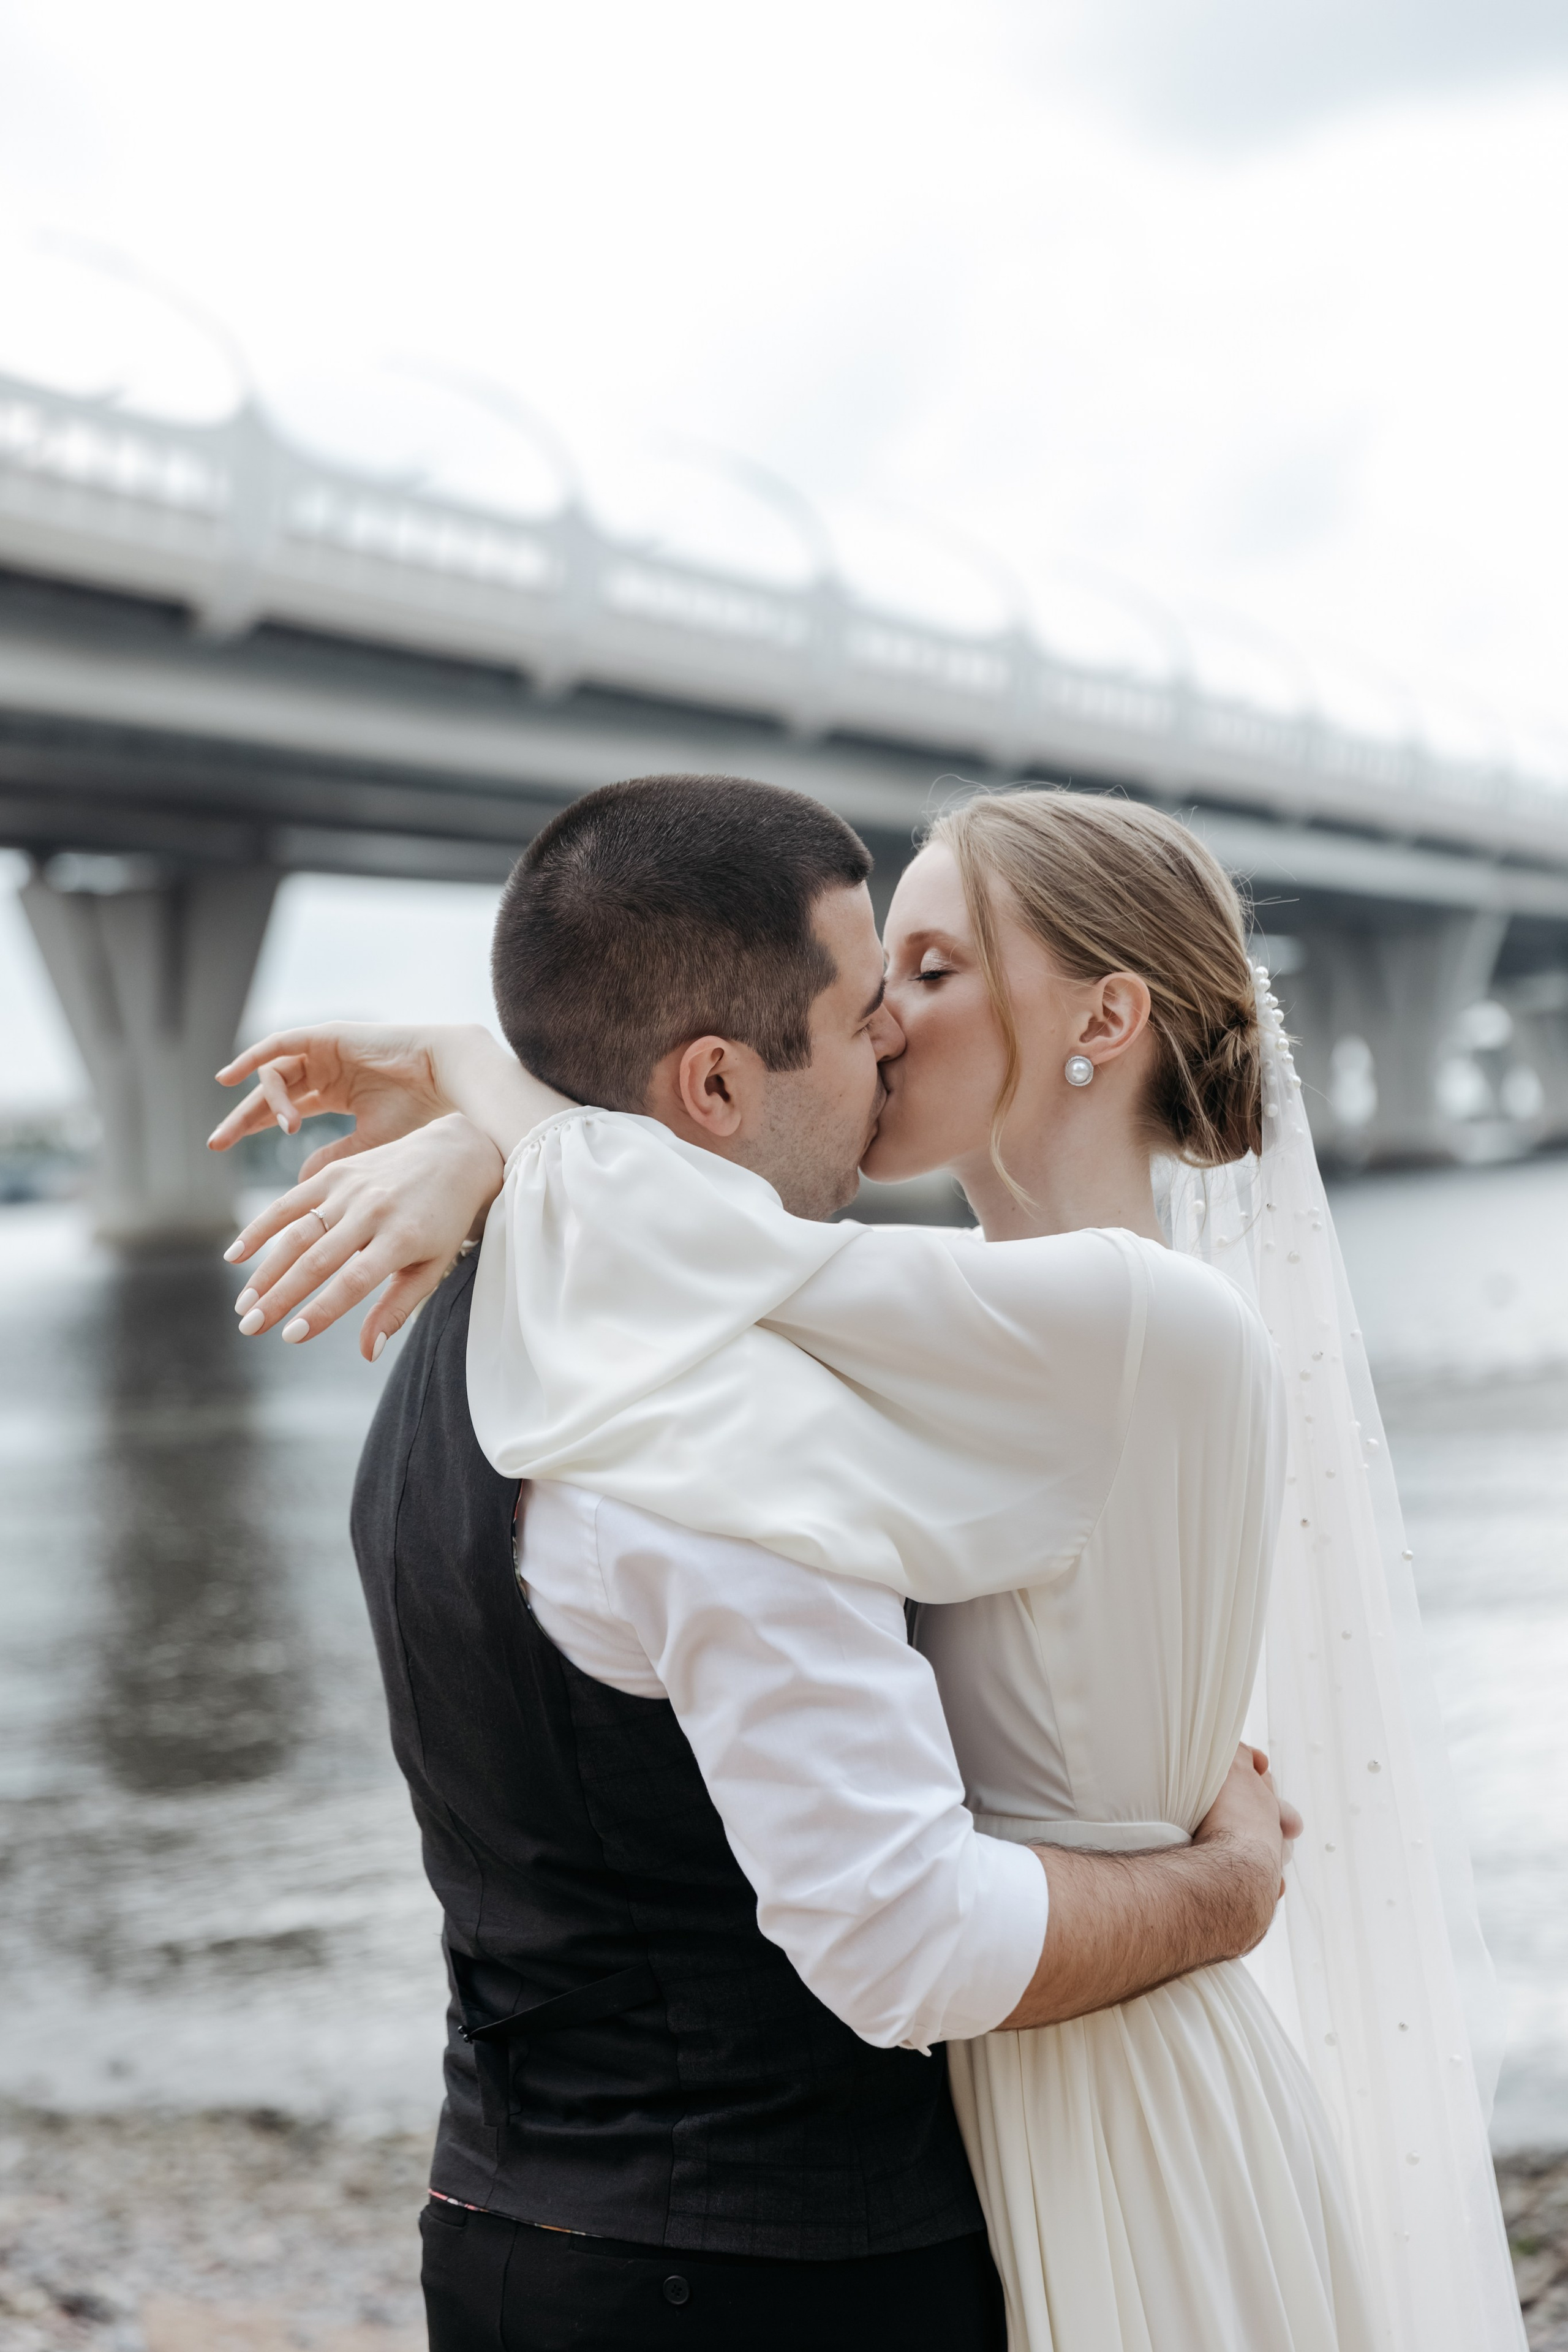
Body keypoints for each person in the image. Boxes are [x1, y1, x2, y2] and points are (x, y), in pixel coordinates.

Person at [211, 776, 1521, 2350]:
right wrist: (486, 1137)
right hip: (863, 2188)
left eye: (933, 970)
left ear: (1103, 1020)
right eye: (872, 989)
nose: (889, 1027)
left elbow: (691, 1230)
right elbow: (696, 1233)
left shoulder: (1109, 1321)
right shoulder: (833, 1342)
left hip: (1052, 2114)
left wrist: (479, 1102)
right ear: (713, 1080)